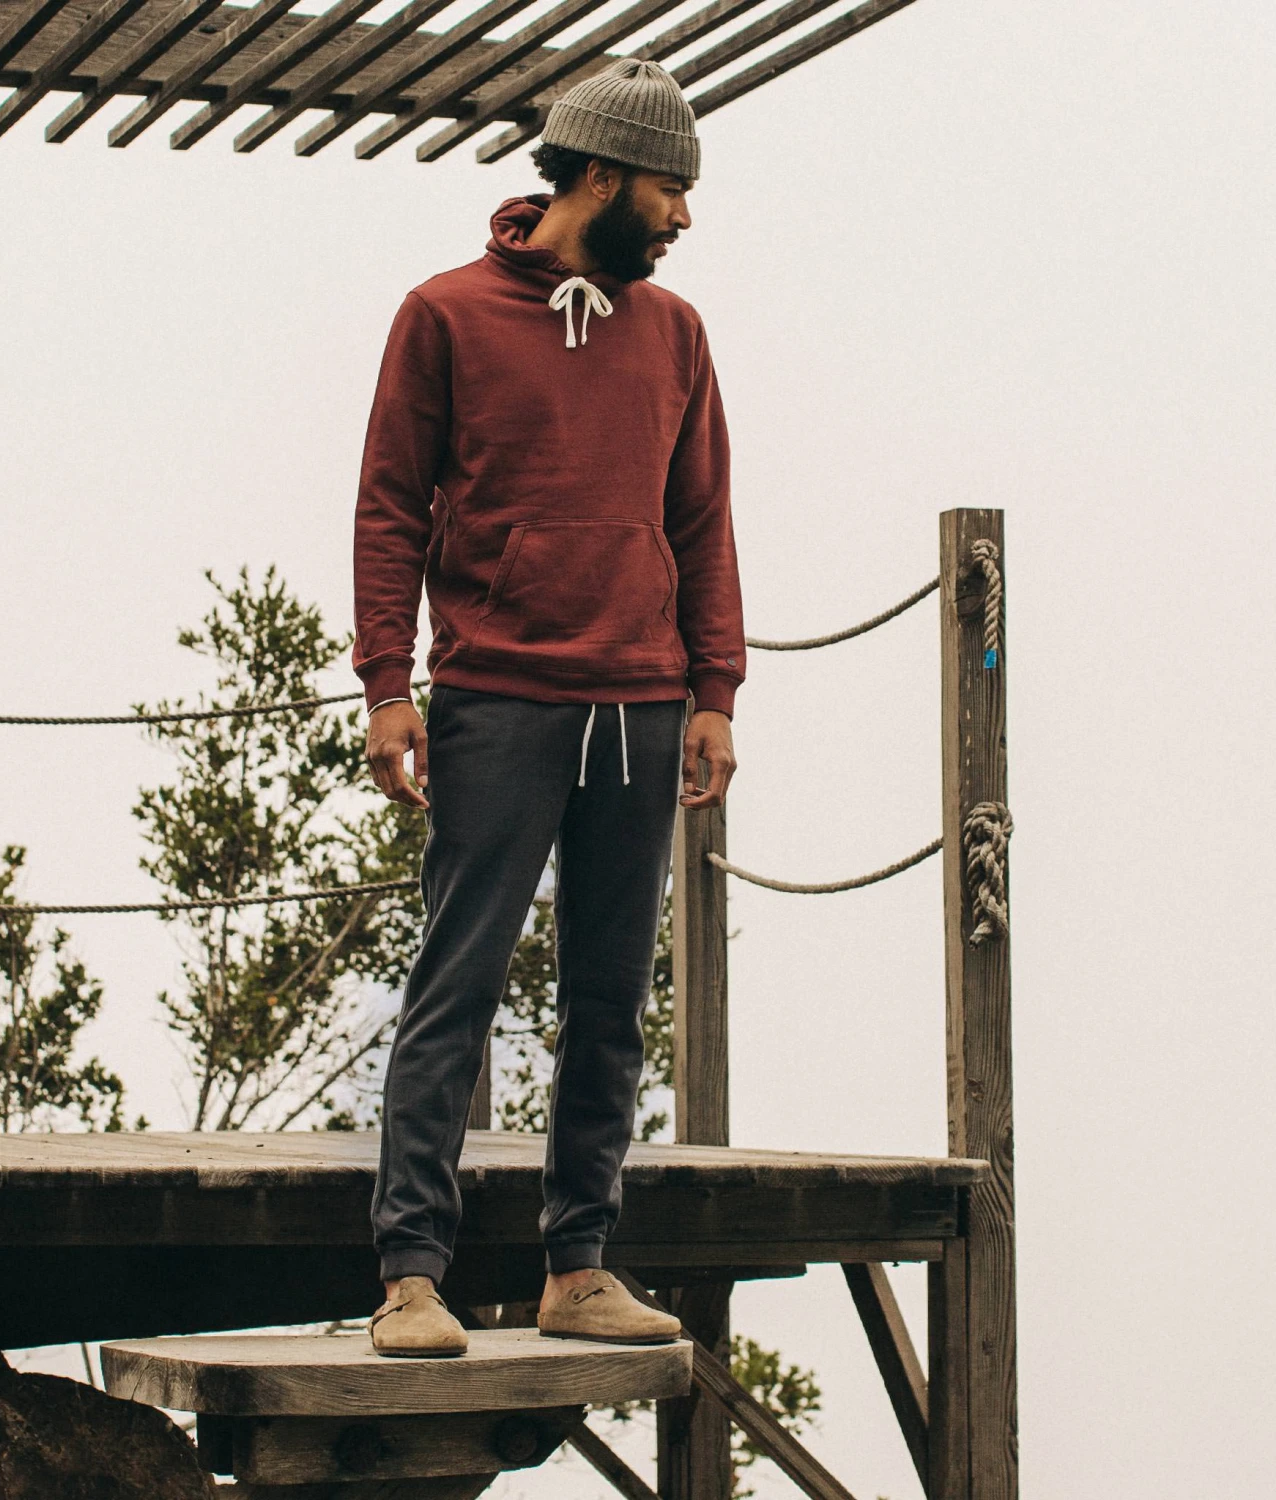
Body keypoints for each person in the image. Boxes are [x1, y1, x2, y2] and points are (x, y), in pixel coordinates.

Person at [352, 58, 744, 1357]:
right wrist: (387, 686)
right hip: (496, 697)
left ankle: (579, 1267)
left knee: (612, 1000)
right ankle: (412, 1278)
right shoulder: (445, 315)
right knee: (456, 985)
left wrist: (714, 690)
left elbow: (701, 520)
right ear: (600, 174)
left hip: (640, 700)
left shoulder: (676, 334)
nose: (683, 216)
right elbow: (389, 507)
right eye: (670, 188)